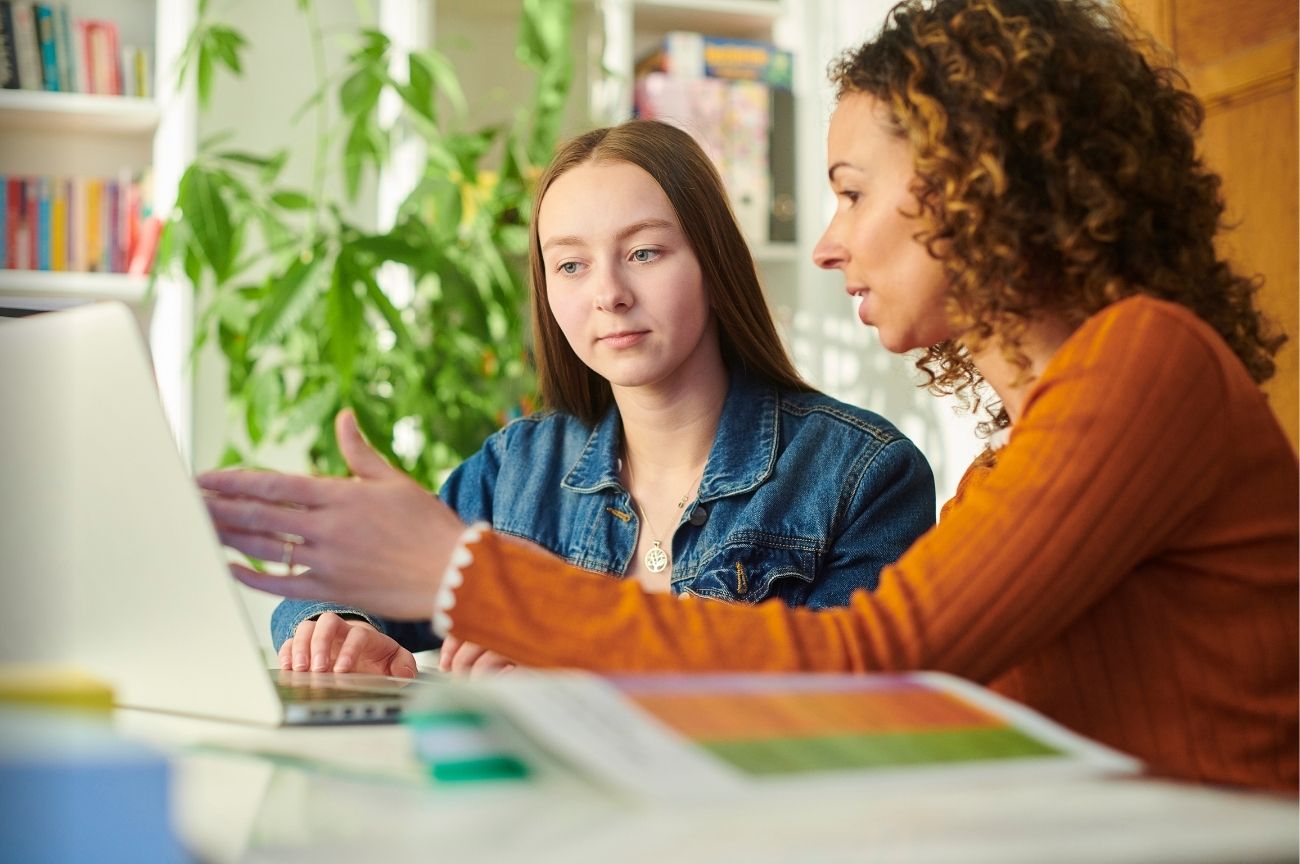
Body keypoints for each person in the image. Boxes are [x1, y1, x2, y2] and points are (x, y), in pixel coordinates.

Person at [201, 0, 1298, 792]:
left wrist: (466, 578)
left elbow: (869, 673)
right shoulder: (1033, 434)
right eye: (568, 264)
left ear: (980, 178)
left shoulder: (1143, 363)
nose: (827, 244)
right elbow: (922, 716)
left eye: (853, 193)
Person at [260, 119, 936, 678]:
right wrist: (339, 628)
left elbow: (851, 705)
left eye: (643, 253)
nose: (607, 293)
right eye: (571, 265)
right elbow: (340, 581)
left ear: (712, 260)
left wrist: (577, 676)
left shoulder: (861, 474)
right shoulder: (517, 469)